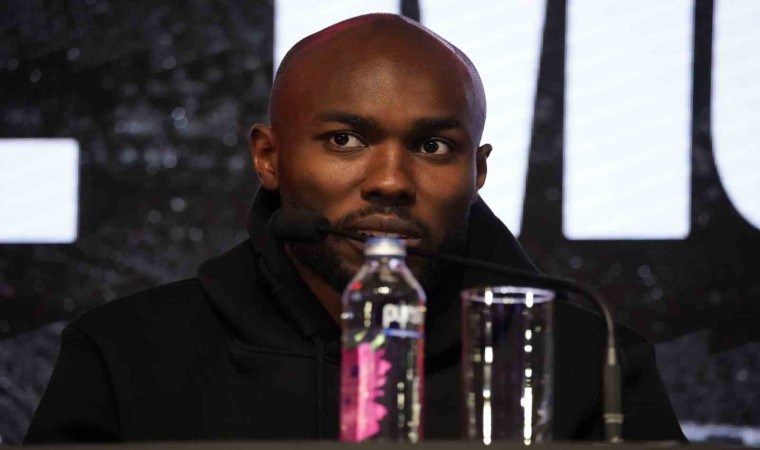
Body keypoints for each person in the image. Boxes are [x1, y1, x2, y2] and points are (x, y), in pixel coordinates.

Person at [25, 14, 685, 443]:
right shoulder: (127, 354)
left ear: (478, 171)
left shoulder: (587, 361)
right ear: (270, 157)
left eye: (432, 147)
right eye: (345, 139)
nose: (391, 181)